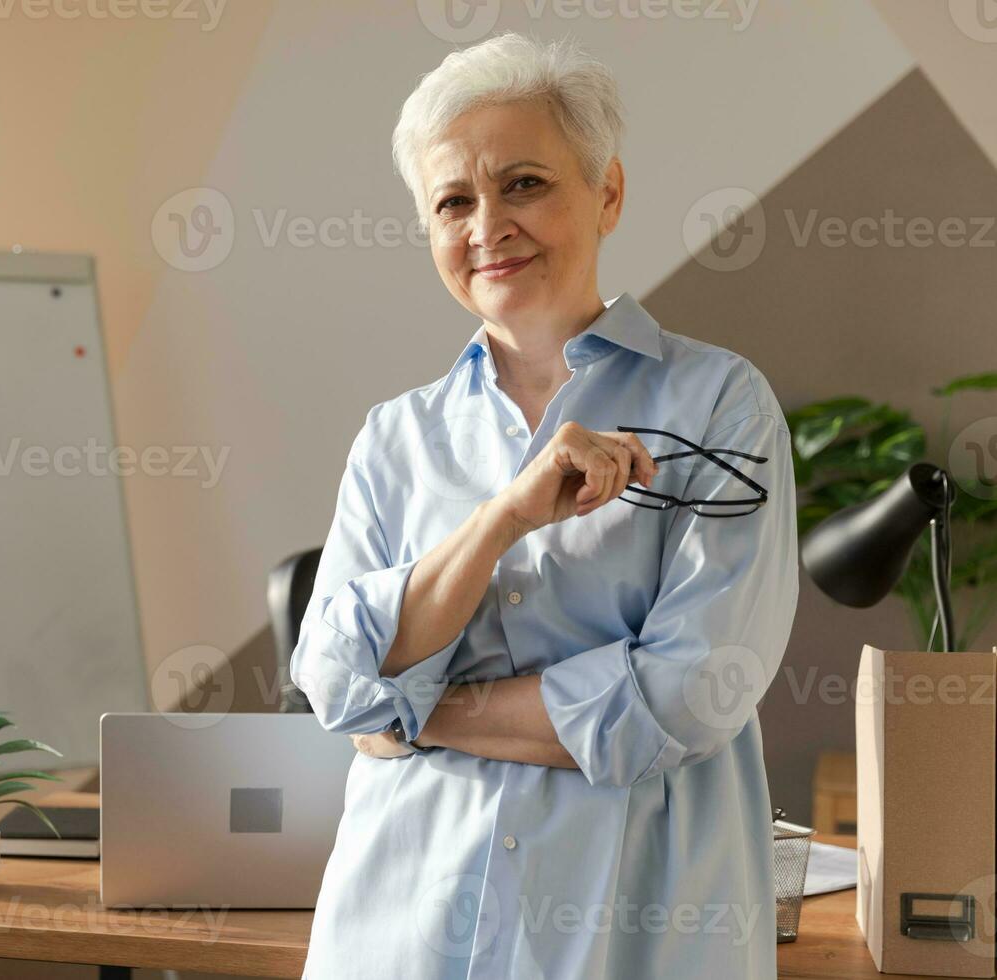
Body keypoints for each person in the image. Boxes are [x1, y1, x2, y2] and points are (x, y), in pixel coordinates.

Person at [288, 30, 799, 979]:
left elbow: (686, 698)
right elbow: (332, 682)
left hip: (626, 939)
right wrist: (504, 519)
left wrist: (415, 707)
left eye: (523, 183)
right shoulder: (395, 438)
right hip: (403, 934)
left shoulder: (720, 407)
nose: (488, 225)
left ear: (606, 193)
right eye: (453, 201)